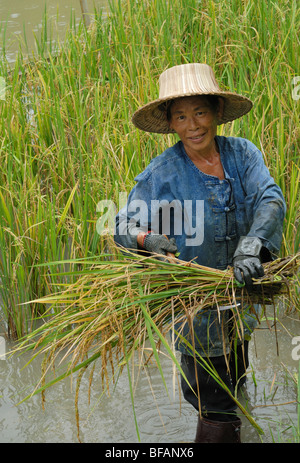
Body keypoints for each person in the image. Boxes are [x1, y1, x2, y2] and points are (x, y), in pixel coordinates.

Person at [114, 63, 286, 443]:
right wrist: (147, 240)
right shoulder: (162, 174)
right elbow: (123, 225)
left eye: (201, 112)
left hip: (241, 298)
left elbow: (270, 200)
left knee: (236, 381)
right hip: (196, 308)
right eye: (181, 116)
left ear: (217, 113)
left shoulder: (242, 155)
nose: (193, 125)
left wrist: (252, 246)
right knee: (214, 406)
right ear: (171, 124)